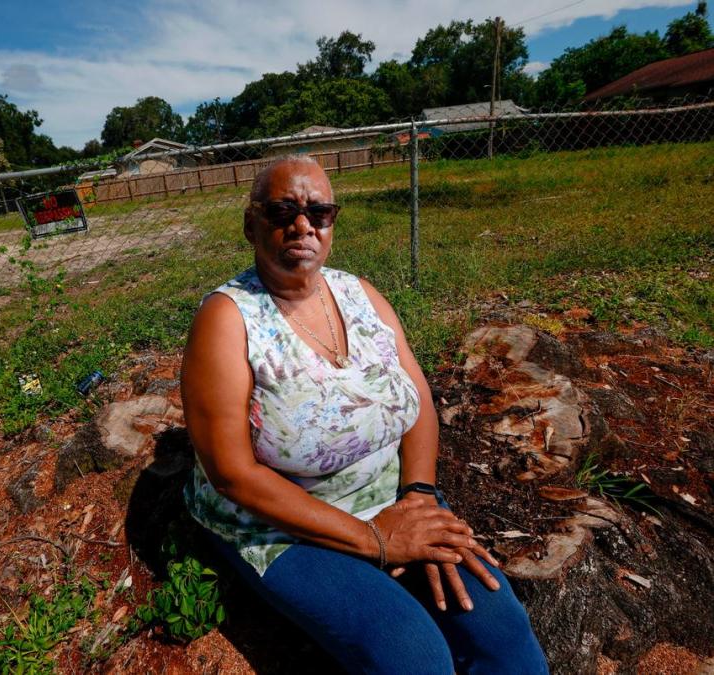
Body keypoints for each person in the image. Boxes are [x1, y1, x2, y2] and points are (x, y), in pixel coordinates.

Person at [180, 156, 548, 674]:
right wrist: (376, 540)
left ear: (332, 222)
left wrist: (418, 496)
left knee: (500, 631)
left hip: (393, 499)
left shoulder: (359, 293)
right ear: (250, 223)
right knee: (413, 656)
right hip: (283, 525)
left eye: (319, 212)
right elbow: (231, 474)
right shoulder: (227, 319)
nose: (301, 225)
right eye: (282, 210)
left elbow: (416, 403)